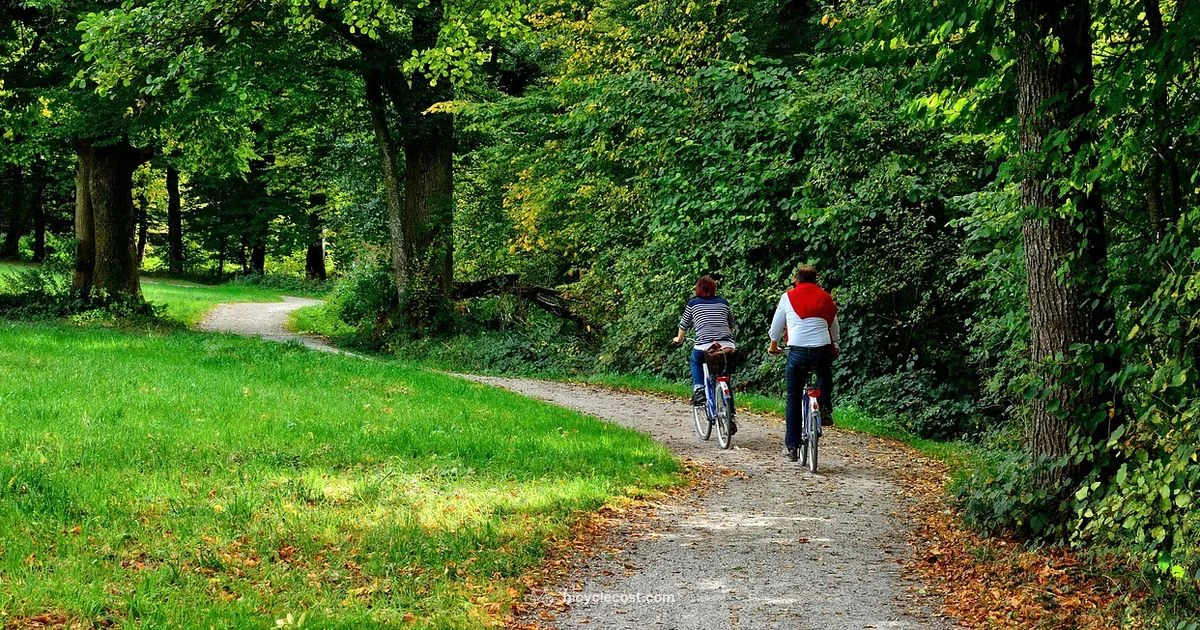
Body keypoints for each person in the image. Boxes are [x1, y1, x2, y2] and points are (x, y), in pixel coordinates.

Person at [768, 264, 839, 462]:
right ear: (815, 280)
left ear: (796, 280)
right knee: (824, 372)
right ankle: (824, 407)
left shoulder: (787, 297)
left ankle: (792, 447)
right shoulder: (825, 297)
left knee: (793, 397)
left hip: (797, 351)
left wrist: (773, 346)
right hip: (822, 349)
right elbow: (834, 326)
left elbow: (776, 329)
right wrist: (837, 344)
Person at [672, 276, 737, 433]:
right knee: (724, 377)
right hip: (726, 346)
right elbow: (731, 324)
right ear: (714, 288)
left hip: (704, 347)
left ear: (698, 289)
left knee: (695, 359)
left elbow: (684, 325)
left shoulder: (693, 303)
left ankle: (699, 389)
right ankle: (731, 416)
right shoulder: (723, 302)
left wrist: (678, 339)